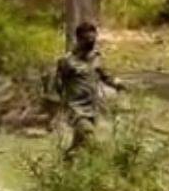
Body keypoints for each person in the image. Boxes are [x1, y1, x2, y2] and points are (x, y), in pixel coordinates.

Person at [54, 21, 126, 158]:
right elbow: (58, 85)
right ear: (79, 39)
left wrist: (117, 84)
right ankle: (100, 168)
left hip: (93, 109)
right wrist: (62, 104)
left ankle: (66, 162)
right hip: (76, 110)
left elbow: (105, 76)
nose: (91, 42)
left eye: (93, 39)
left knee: (79, 144)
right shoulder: (67, 61)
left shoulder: (96, 57)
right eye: (87, 39)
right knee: (90, 139)